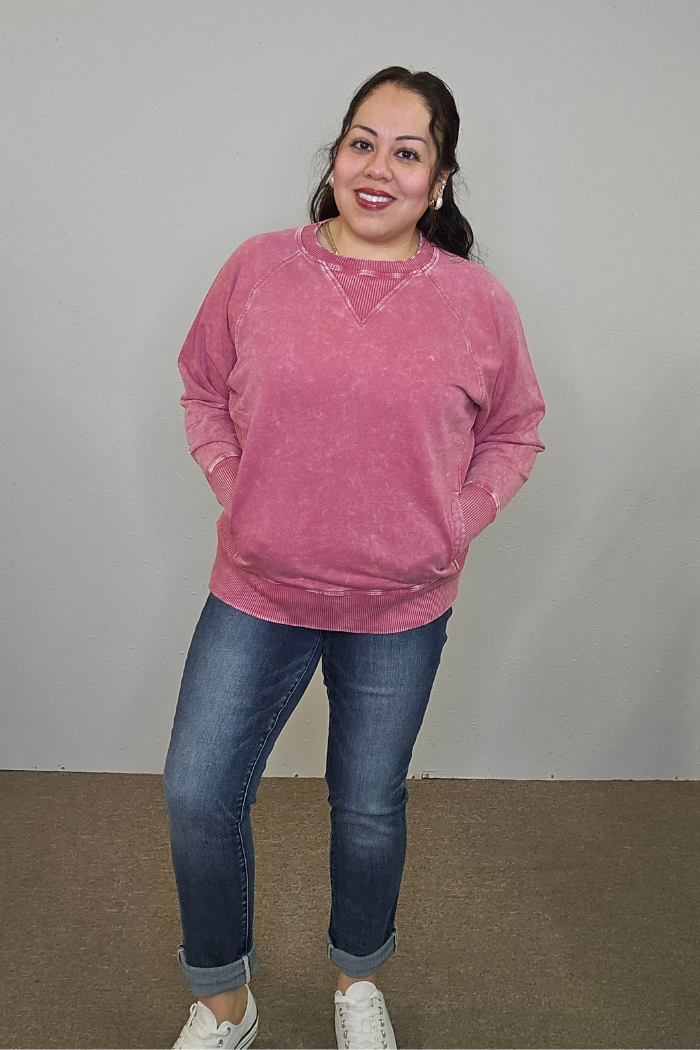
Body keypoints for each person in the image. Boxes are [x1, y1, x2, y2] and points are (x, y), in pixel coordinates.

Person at [163, 65, 545, 1050]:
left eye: (406, 152)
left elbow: (515, 429)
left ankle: (356, 983)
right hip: (258, 586)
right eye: (361, 143)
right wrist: (235, 487)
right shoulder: (257, 267)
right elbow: (202, 388)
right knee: (199, 793)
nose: (378, 169)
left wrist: (456, 520)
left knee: (368, 807)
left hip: (400, 605)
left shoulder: (475, 301)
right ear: (335, 156)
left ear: (441, 179)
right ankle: (224, 1004)